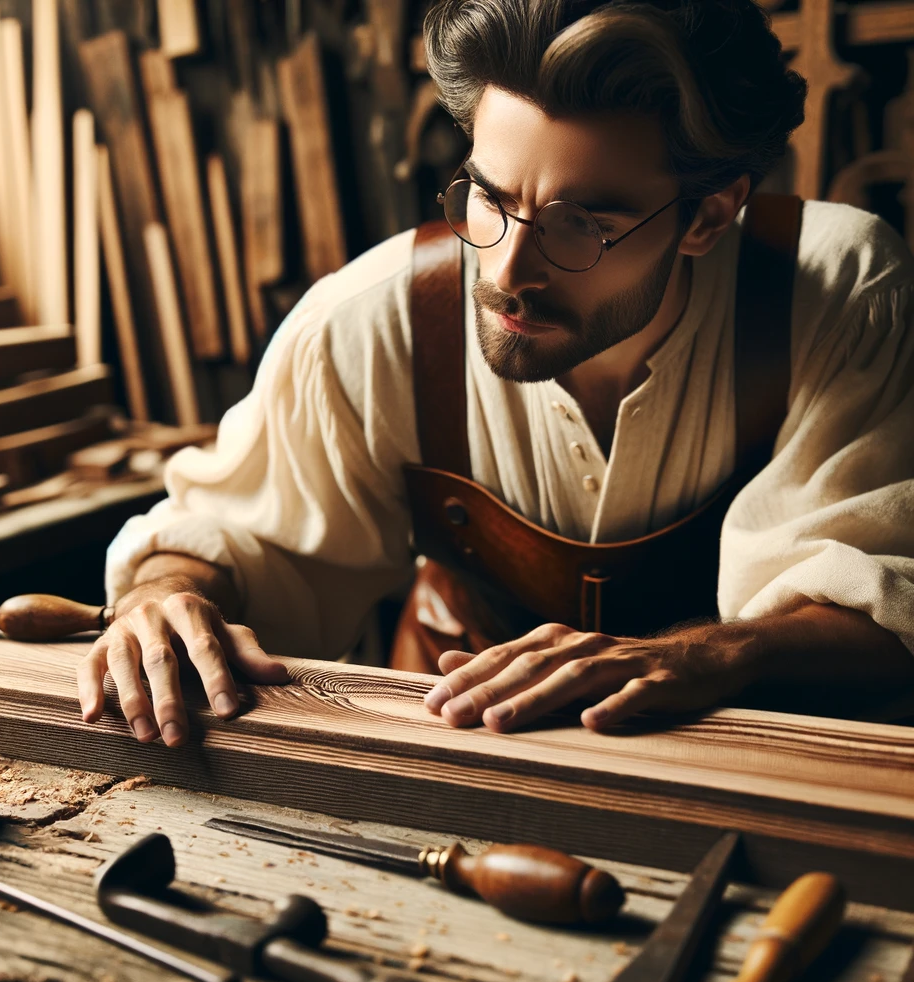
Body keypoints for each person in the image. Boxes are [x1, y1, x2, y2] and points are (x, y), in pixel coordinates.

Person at [78, 0, 914, 748]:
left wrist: (708, 653)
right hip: (460, 733)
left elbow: (886, 599)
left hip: (743, 761)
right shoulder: (375, 317)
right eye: (490, 196)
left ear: (708, 216)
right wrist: (167, 595)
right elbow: (242, 535)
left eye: (579, 222)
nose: (508, 270)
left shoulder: (839, 291)